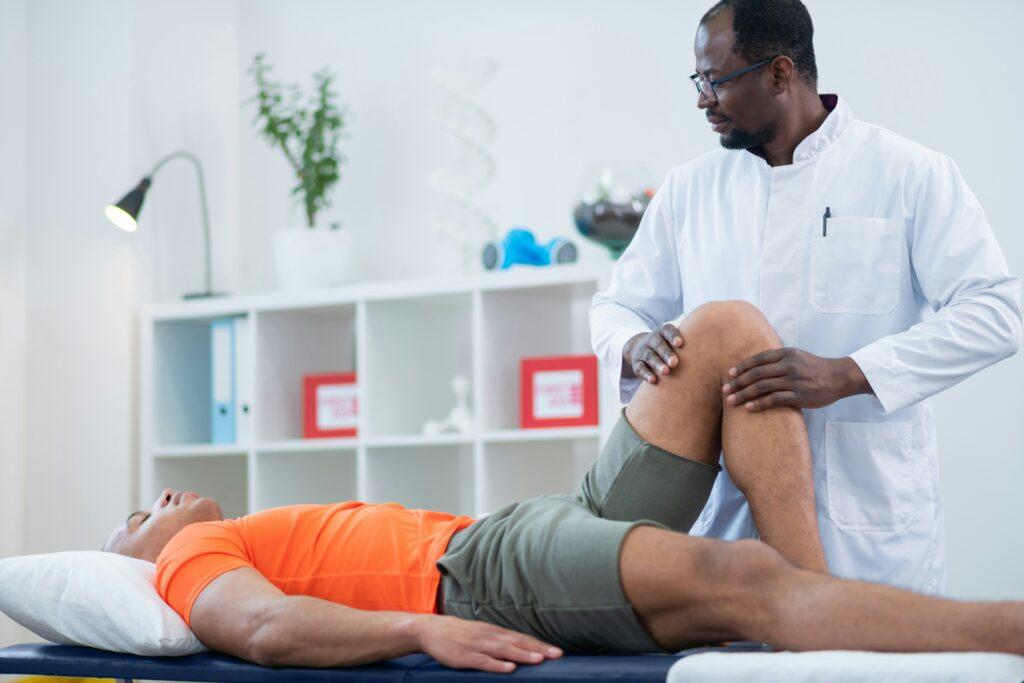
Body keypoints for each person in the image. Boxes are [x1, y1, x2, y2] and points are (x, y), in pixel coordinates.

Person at [104, 301, 1024, 674]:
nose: (163, 500)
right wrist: (419, 629)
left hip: (527, 524)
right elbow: (264, 627)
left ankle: (812, 615)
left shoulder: (228, 531)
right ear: (141, 564)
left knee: (726, 331)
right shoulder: (187, 561)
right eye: (140, 518)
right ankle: (1005, 629)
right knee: (736, 573)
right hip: (480, 574)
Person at [590, 0, 1022, 594]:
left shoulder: (908, 174)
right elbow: (616, 307)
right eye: (698, 80)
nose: (702, 100)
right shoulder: (690, 191)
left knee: (868, 643)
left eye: (717, 81)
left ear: (779, 73)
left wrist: (848, 373)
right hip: (728, 532)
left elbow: (996, 313)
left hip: (868, 525)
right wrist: (635, 343)